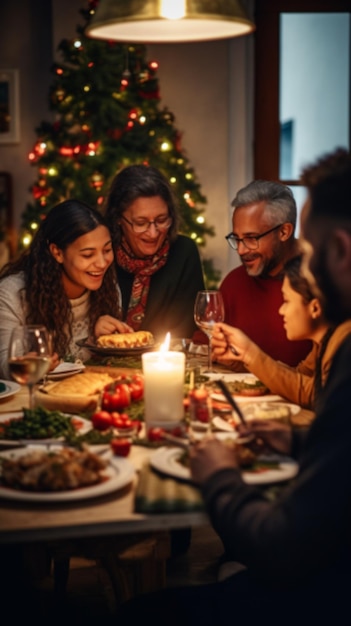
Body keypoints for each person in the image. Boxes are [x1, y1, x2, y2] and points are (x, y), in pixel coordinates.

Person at [113, 148, 351, 626]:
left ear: (340, 251)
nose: (304, 269)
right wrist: (301, 441)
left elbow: (285, 549)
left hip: (325, 596)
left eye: (313, 249)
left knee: (138, 614)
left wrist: (219, 474)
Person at [0, 199, 130, 379]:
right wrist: (28, 364)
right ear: (57, 252)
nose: (102, 263)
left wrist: (99, 343)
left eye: (107, 250)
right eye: (88, 254)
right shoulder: (12, 294)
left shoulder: (109, 289)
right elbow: (5, 370)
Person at [212, 254, 351, 410]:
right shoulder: (324, 339)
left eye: (286, 301)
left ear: (315, 308)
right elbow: (297, 376)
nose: (281, 310)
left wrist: (251, 354)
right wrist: (243, 360)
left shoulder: (344, 341)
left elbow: (316, 394)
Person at [104, 164, 205, 341]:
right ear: (119, 219)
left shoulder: (184, 252)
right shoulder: (103, 255)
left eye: (161, 220)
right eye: (141, 222)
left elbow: (187, 331)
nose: (153, 233)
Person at [218, 179, 311, 369]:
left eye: (251, 238)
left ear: (284, 232)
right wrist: (216, 351)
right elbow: (205, 343)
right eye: (237, 239)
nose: (241, 250)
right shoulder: (234, 282)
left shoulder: (320, 281)